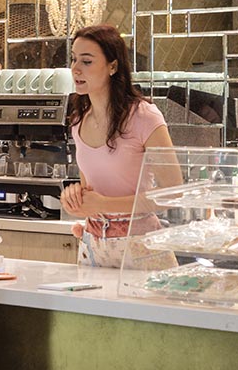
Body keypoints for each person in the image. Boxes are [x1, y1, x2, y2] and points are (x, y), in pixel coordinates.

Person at [60, 24, 181, 268]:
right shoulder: (78, 120)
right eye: (74, 59)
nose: (76, 68)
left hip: (140, 245)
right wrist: (75, 198)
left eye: (87, 61)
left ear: (113, 66)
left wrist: (104, 204)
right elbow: (90, 191)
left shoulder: (144, 116)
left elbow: (173, 194)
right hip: (93, 246)